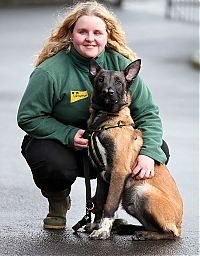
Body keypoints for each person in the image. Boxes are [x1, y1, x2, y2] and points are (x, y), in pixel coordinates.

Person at [17, 1, 169, 230]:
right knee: (50, 162)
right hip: (66, 145)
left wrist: (149, 153)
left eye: (97, 32)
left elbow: (148, 113)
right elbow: (28, 116)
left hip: (105, 144)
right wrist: (67, 134)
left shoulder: (119, 64)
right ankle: (58, 201)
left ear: (107, 35)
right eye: (82, 32)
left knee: (159, 150)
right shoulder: (50, 72)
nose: (90, 38)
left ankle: (107, 212)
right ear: (70, 34)